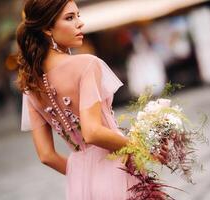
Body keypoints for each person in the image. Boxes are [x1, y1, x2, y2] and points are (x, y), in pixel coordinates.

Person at [15, 0, 146, 199]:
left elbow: (46, 156)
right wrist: (143, 149)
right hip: (118, 168)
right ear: (47, 28)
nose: (80, 23)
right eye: (70, 18)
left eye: (78, 15)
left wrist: (85, 175)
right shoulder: (87, 64)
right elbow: (92, 132)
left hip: (81, 183)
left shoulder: (30, 83)